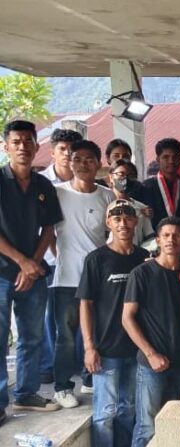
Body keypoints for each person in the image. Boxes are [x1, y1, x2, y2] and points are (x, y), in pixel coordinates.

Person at [77, 199, 149, 447]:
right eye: (115, 217)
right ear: (108, 223)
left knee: (129, 407)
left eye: (128, 216)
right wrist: (89, 346)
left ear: (136, 222)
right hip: (106, 349)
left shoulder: (144, 257)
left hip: (137, 348)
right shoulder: (96, 260)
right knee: (104, 412)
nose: (122, 222)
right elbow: (86, 306)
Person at [124, 216, 180, 447]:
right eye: (166, 235)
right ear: (157, 240)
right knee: (147, 426)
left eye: (177, 235)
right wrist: (151, 354)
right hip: (151, 365)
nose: (171, 240)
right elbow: (127, 318)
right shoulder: (142, 273)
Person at [0, 120, 63, 423]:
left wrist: (33, 264)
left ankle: (26, 394)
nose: (23, 147)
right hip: (1, 272)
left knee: (32, 336)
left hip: (34, 273)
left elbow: (49, 227)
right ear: (5, 147)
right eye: (16, 141)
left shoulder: (43, 186)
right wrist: (23, 263)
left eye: (28, 141)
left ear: (37, 146)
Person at [52, 140, 117, 409]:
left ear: (99, 163)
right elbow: (48, 233)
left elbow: (111, 234)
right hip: (67, 277)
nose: (82, 164)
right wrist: (60, 259)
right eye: (77, 159)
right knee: (66, 335)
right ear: (70, 162)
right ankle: (63, 387)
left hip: (98, 279)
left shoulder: (106, 196)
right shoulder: (57, 193)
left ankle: (91, 378)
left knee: (98, 331)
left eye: (89, 159)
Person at [39, 128, 82, 385]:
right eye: (62, 149)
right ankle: (48, 366)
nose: (67, 154)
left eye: (71, 150)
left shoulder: (84, 182)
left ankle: (74, 362)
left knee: (76, 314)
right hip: (50, 259)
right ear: (52, 152)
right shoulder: (41, 182)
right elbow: (45, 225)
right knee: (50, 317)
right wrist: (55, 253)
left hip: (78, 260)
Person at [141, 138, 180, 237]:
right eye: (166, 157)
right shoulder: (145, 188)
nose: (171, 161)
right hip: (154, 244)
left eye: (175, 157)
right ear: (157, 159)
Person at [106, 158, 154, 246]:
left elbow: (149, 237)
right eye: (121, 174)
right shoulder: (103, 203)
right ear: (111, 177)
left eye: (130, 176)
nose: (125, 179)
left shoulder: (141, 207)